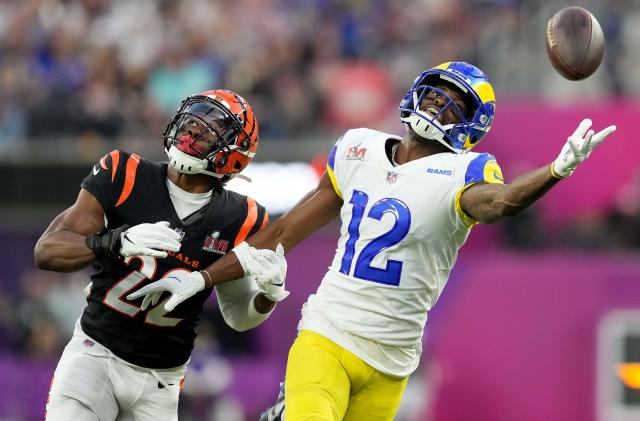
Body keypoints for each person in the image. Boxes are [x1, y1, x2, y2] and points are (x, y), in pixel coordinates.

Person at [130, 62, 617, 420]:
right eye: (435, 93)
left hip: (392, 360)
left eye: (455, 102)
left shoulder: (463, 173)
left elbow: (504, 201)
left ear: (472, 125)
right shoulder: (359, 148)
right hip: (330, 333)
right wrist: (201, 280)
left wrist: (557, 170)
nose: (438, 104)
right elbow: (280, 234)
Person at [34, 89, 289, 421]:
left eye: (212, 128)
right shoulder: (123, 172)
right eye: (193, 118)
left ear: (235, 155)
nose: (195, 128)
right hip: (94, 356)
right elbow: (47, 251)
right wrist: (115, 241)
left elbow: (239, 315)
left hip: (163, 381)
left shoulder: (241, 217)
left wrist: (268, 296)